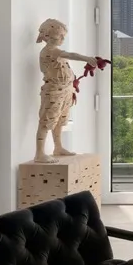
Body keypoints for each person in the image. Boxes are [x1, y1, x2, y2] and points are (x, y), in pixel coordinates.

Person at [35, 18, 96, 163]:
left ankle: (58, 147)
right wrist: (87, 58)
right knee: (47, 121)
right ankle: (39, 153)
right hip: (54, 91)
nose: (62, 39)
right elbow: (71, 55)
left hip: (65, 90)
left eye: (63, 36)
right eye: (59, 36)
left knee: (60, 120)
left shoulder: (56, 52)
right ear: (47, 36)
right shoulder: (50, 51)